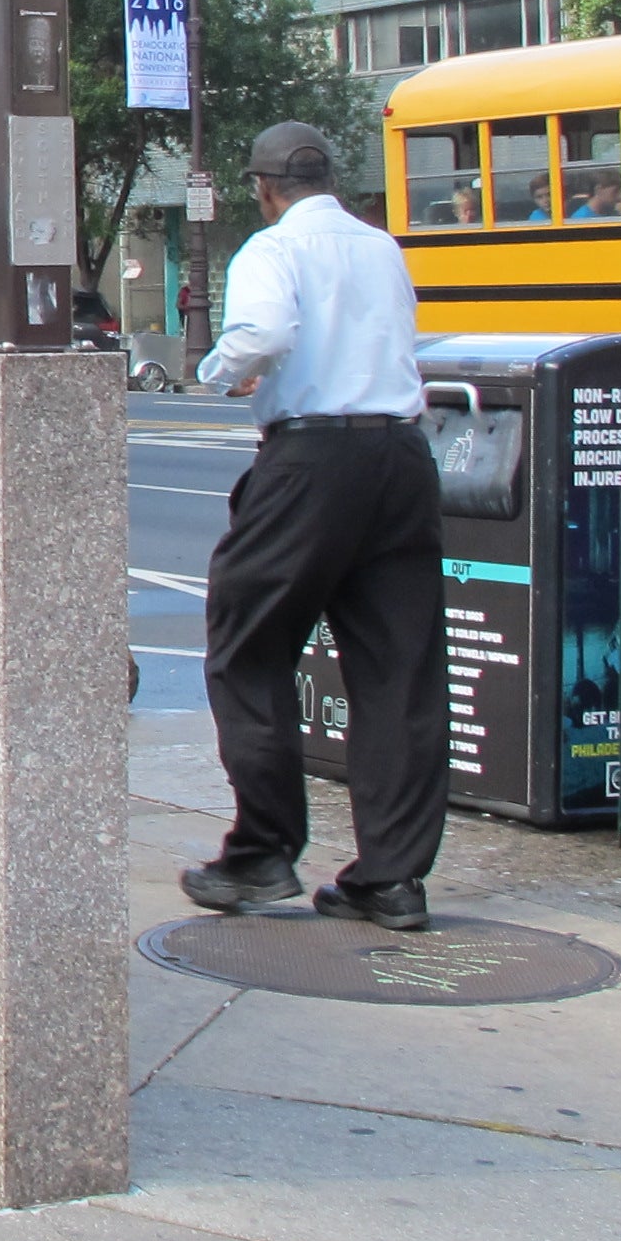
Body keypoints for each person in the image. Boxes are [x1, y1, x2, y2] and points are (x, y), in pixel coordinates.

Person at [180, 123, 448, 933]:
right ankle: (392, 878)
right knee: (399, 672)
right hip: (400, 458)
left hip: (310, 461)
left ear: (264, 188)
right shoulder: (381, 247)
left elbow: (263, 335)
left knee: (247, 645)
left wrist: (218, 371)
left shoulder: (272, 250)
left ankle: (264, 853)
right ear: (329, 178)